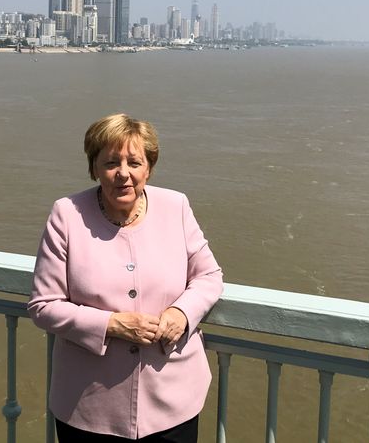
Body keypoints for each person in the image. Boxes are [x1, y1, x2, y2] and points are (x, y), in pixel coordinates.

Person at [28, 114, 224, 442]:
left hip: (173, 403)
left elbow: (209, 274)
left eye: (135, 162)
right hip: (89, 406)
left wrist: (182, 313)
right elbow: (43, 305)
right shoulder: (66, 214)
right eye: (110, 162)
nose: (123, 174)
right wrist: (112, 325)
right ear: (94, 168)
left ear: (149, 167)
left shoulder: (175, 206)